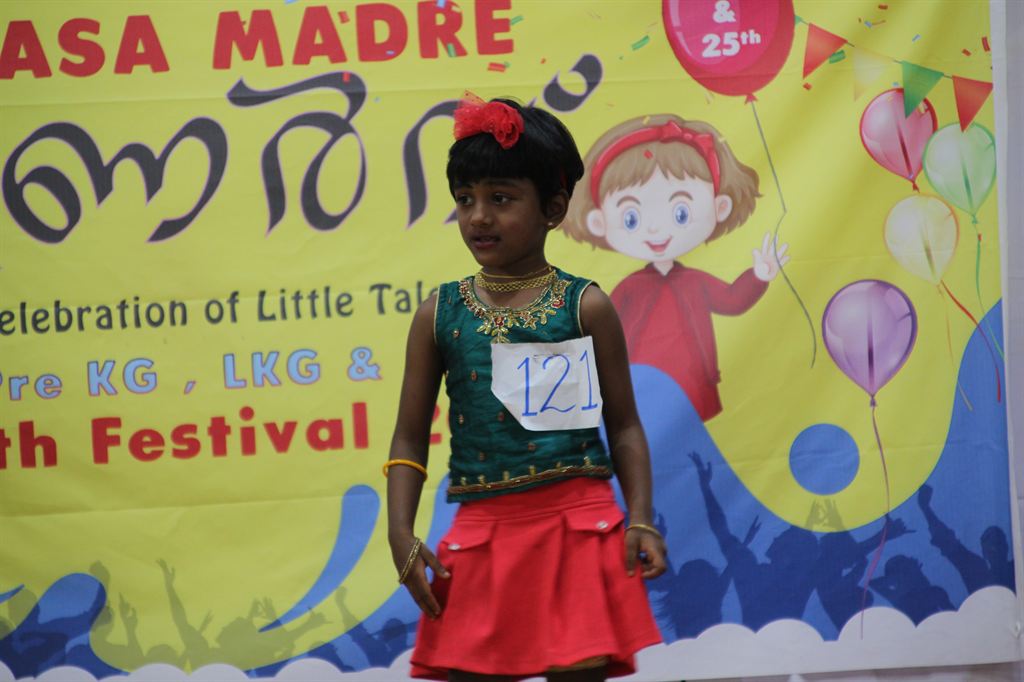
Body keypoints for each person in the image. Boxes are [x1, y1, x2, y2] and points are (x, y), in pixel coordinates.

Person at [385, 93, 666, 682]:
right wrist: (400, 531)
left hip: (578, 528)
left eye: (501, 198)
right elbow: (409, 438)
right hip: (482, 534)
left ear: (553, 208)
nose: (478, 217)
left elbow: (624, 426)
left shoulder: (586, 306)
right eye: (465, 199)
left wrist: (639, 517)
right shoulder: (438, 315)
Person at [562, 115, 789, 422]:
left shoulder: (695, 281)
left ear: (719, 207)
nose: (656, 229)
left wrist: (758, 276)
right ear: (599, 222)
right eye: (631, 218)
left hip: (691, 379)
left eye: (681, 212)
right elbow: (606, 326)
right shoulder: (630, 287)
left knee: (693, 433)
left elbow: (732, 301)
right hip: (640, 379)